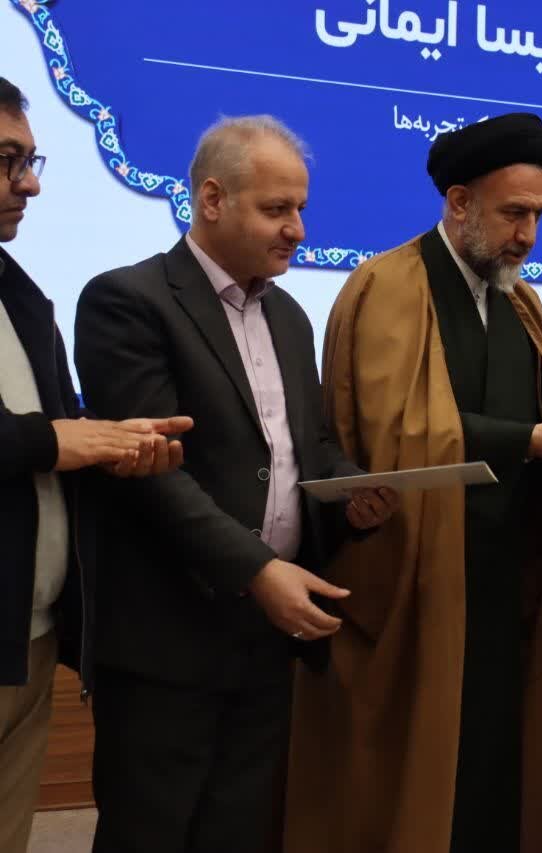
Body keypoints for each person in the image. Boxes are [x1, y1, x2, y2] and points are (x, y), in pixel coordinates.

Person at [73, 116, 397, 853]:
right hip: (166, 641)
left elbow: (306, 447)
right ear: (212, 199)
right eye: (277, 209)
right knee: (151, 834)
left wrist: (353, 493)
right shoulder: (128, 301)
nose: (298, 231)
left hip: (267, 640)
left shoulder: (289, 315)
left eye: (301, 208)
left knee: (240, 832)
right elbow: (151, 473)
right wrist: (257, 570)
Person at [285, 112, 542, 853]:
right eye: (514, 213)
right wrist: (528, 441)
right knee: (417, 784)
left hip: (503, 581)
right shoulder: (388, 285)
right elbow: (396, 436)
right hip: (418, 581)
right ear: (460, 202)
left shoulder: (520, 301)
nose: (528, 235)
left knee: (494, 775)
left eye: (538, 215)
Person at [0, 77, 193, 853]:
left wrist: (112, 446)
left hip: (29, 640)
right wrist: (57, 441)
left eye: (30, 160)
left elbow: (56, 440)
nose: (31, 184)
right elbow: (43, 439)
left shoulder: (24, 296)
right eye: (8, 160)